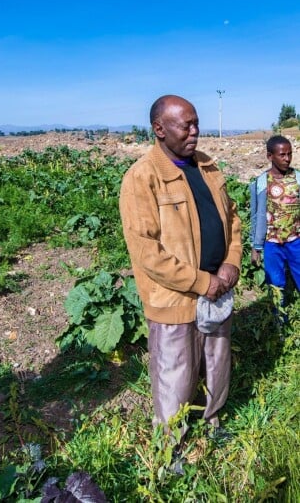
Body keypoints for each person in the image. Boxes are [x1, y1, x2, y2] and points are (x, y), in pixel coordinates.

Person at [119, 94, 242, 437]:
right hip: (175, 299)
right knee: (175, 376)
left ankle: (212, 422)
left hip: (219, 289)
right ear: (159, 128)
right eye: (185, 125)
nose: (195, 131)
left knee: (217, 365)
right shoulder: (142, 178)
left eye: (196, 123)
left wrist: (232, 261)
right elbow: (148, 253)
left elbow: (232, 219)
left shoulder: (207, 166)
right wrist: (203, 282)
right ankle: (172, 444)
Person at [249, 135, 300, 318]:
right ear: (270, 156)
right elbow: (256, 215)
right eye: (282, 155)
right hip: (271, 244)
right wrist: (256, 246)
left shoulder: (297, 178)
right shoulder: (261, 182)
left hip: (296, 241)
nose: (287, 158)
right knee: (276, 284)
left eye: (289, 154)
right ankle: (280, 322)